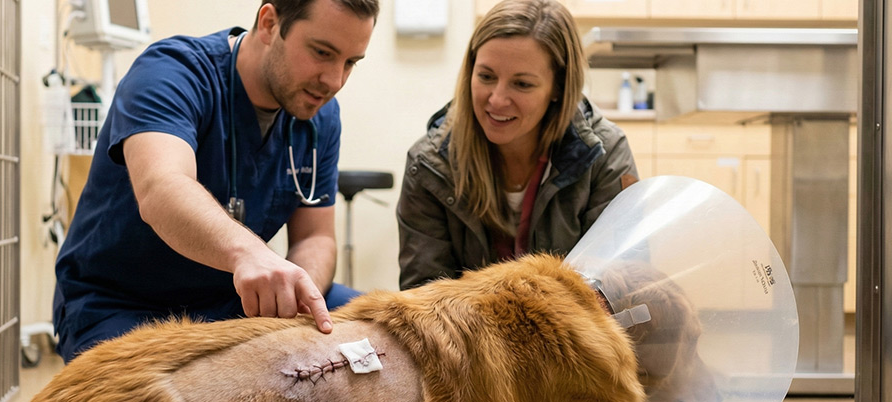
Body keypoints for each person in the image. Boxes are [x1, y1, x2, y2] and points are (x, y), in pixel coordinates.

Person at [53, 0, 379, 362]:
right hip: (123, 305)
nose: (334, 81)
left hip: (236, 303)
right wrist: (249, 253)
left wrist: (303, 297)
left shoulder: (320, 116)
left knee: (378, 345)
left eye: (351, 62)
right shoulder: (171, 73)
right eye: (322, 52)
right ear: (269, 23)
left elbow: (315, 237)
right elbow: (162, 187)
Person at [396, 0, 640, 290]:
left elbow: (623, 286)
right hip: (467, 334)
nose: (497, 100)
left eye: (522, 84)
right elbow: (423, 295)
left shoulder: (605, 156)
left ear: (558, 88)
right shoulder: (429, 165)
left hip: (571, 332)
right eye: (486, 77)